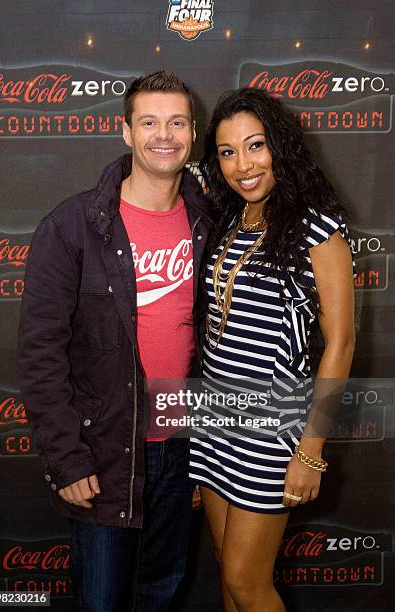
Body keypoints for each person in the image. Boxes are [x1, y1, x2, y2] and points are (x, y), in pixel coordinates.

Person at [18, 71, 212, 612]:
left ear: (192, 132)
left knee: (163, 595)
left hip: (181, 453)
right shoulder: (74, 225)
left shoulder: (205, 221)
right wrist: (66, 460)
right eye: (148, 122)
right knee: (101, 601)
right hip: (104, 455)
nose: (163, 135)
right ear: (125, 131)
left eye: (176, 122)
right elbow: (40, 356)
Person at [189, 88, 355, 612]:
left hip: (272, 428)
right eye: (227, 152)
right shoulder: (228, 220)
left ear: (279, 146)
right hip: (214, 419)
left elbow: (342, 343)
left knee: (246, 580)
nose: (243, 164)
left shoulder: (318, 228)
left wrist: (310, 450)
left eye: (255, 145)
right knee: (224, 564)